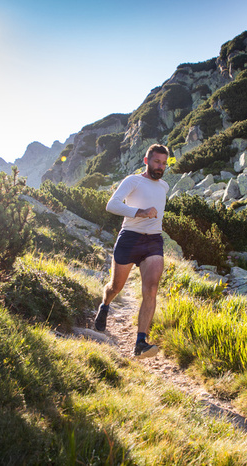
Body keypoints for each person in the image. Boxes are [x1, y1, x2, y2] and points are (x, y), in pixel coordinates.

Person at [94, 143, 170, 358]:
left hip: (154, 241)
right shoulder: (132, 181)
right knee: (116, 286)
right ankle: (105, 305)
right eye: (156, 161)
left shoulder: (164, 186)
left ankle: (140, 342)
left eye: (164, 163)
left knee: (152, 288)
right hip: (130, 238)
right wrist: (140, 212)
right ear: (146, 161)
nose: (160, 166)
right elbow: (112, 205)